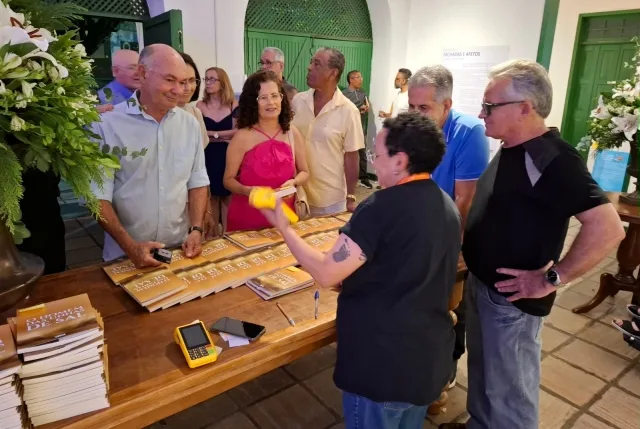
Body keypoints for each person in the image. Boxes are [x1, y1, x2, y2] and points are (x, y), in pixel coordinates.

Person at [440, 60, 625, 429]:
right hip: (483, 284)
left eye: (490, 106)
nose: (481, 113)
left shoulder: (553, 157)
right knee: (485, 373)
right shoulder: (512, 146)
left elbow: (608, 228)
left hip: (513, 299)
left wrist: (552, 278)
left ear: (525, 107)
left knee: (510, 391)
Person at [260, 112, 460, 429]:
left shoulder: (380, 207)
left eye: (376, 155)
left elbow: (326, 274)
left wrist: (285, 228)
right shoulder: (445, 203)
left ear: (400, 161)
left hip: (382, 365)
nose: (373, 162)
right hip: (425, 361)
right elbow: (405, 266)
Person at [90, 44, 210, 267]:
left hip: (178, 249)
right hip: (124, 254)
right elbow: (97, 197)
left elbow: (197, 181)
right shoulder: (107, 125)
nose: (179, 90)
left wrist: (196, 229)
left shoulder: (190, 124)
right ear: (143, 74)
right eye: (170, 80)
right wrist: (130, 246)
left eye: (183, 82)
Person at [408, 65, 490, 388]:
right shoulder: (414, 131)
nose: (415, 115)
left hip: (454, 237)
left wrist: (447, 251)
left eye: (424, 108)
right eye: (411, 107)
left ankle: (448, 367)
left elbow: (465, 200)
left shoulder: (469, 133)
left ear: (447, 105)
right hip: (422, 231)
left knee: (453, 307)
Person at [223, 70, 309, 231]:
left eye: (275, 96)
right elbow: (228, 180)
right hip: (246, 219)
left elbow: (304, 172)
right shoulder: (242, 137)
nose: (271, 102)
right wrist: (247, 190)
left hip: (283, 219)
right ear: (253, 102)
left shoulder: (292, 132)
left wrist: (294, 182)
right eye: (263, 98)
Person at [291, 47, 364, 216]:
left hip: (330, 200)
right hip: (298, 195)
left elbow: (351, 156)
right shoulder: (298, 101)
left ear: (332, 73)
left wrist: (351, 196)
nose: (309, 67)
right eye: (311, 62)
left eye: (317, 64)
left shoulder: (348, 110)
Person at [196, 67, 238, 237]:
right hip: (208, 155)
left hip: (228, 156)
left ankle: (228, 236)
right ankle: (211, 239)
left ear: (223, 82)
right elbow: (199, 134)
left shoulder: (233, 105)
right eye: (206, 79)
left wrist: (212, 134)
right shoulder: (200, 106)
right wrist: (221, 136)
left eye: (213, 79)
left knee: (228, 197)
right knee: (211, 197)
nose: (209, 83)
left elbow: (238, 132)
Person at [342, 70, 372, 189]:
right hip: (346, 129)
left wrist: (365, 108)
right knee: (346, 154)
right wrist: (356, 110)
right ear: (351, 79)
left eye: (361, 77)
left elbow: (366, 105)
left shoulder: (363, 93)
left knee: (362, 154)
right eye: (358, 77)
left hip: (360, 128)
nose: (361, 80)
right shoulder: (343, 94)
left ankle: (363, 178)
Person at [178, 52, 208, 148]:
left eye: (191, 80)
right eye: (182, 82)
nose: (188, 88)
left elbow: (200, 149)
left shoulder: (195, 112)